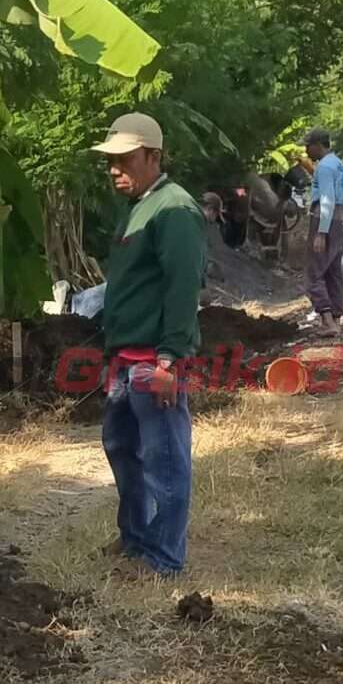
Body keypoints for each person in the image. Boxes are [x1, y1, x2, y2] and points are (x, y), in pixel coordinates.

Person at [91, 111, 204, 576]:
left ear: (153, 157)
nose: (115, 169)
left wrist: (169, 360)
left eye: (126, 159)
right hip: (125, 358)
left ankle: (163, 557)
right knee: (122, 448)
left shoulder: (174, 210)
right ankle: (135, 538)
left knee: (165, 462)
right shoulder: (139, 205)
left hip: (152, 360)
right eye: (110, 161)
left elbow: (182, 290)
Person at [302, 128, 343, 333]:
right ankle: (336, 321)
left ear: (318, 145)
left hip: (324, 221)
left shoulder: (324, 168)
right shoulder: (339, 165)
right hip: (338, 223)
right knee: (333, 273)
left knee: (313, 274)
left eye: (308, 146)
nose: (306, 151)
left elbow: (327, 199)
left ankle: (327, 322)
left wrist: (321, 232)